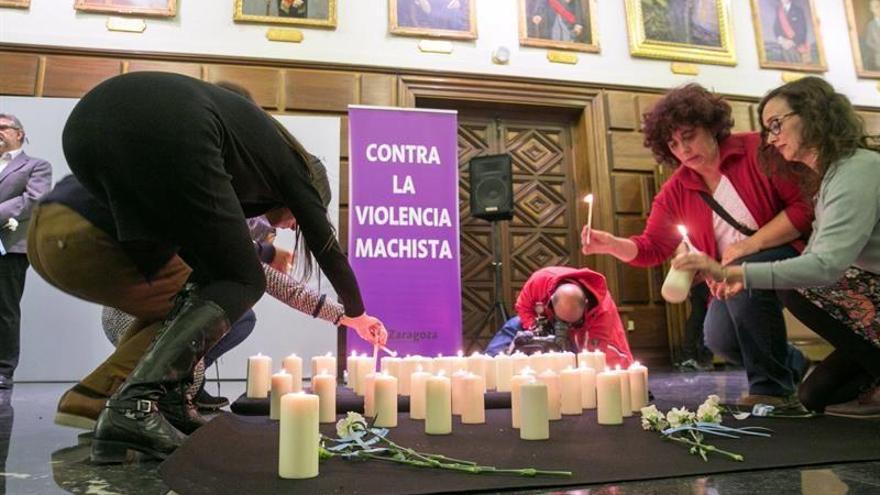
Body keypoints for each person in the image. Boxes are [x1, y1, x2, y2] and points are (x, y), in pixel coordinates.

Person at [48, 71, 387, 463]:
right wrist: (357, 313)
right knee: (243, 280)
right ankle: (132, 407)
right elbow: (328, 250)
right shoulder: (297, 171)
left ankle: (169, 402)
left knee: (212, 272)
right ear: (308, 196)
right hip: (158, 128)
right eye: (299, 219)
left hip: (85, 134)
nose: (295, 227)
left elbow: (210, 259)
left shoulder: (244, 171)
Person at [581, 83, 814, 408]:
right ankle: (791, 363)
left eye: (688, 136)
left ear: (711, 125)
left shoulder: (756, 151)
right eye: (673, 144)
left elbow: (803, 210)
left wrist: (747, 249)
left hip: (790, 251)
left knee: (741, 278)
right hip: (728, 270)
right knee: (718, 338)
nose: (683, 150)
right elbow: (652, 247)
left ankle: (772, 392)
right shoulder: (677, 188)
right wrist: (611, 244)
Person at [675, 77, 880, 418]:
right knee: (815, 396)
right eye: (767, 129)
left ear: (814, 113)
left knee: (794, 286)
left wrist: (735, 271)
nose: (771, 139)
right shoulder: (828, 179)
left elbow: (824, 266)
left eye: (776, 124)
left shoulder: (857, 169)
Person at [485, 266, 634, 368]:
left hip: (585, 330)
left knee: (607, 364)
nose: (566, 326)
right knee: (514, 325)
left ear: (586, 304)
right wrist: (534, 328)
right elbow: (523, 307)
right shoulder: (539, 281)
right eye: (563, 320)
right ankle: (490, 364)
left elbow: (595, 354)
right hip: (546, 321)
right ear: (550, 301)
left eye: (571, 321)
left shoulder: (603, 310)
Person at [0, 113, 52, 390]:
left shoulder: (36, 166)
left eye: (3, 127)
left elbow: (35, 199)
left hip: (9, 248)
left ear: (19, 133)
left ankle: (3, 370)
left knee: (4, 310)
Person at [864, 0, 880, 71]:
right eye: (876, 7)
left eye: (879, 6)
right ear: (871, 9)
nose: (878, 9)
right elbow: (868, 41)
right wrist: (877, 48)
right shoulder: (870, 25)